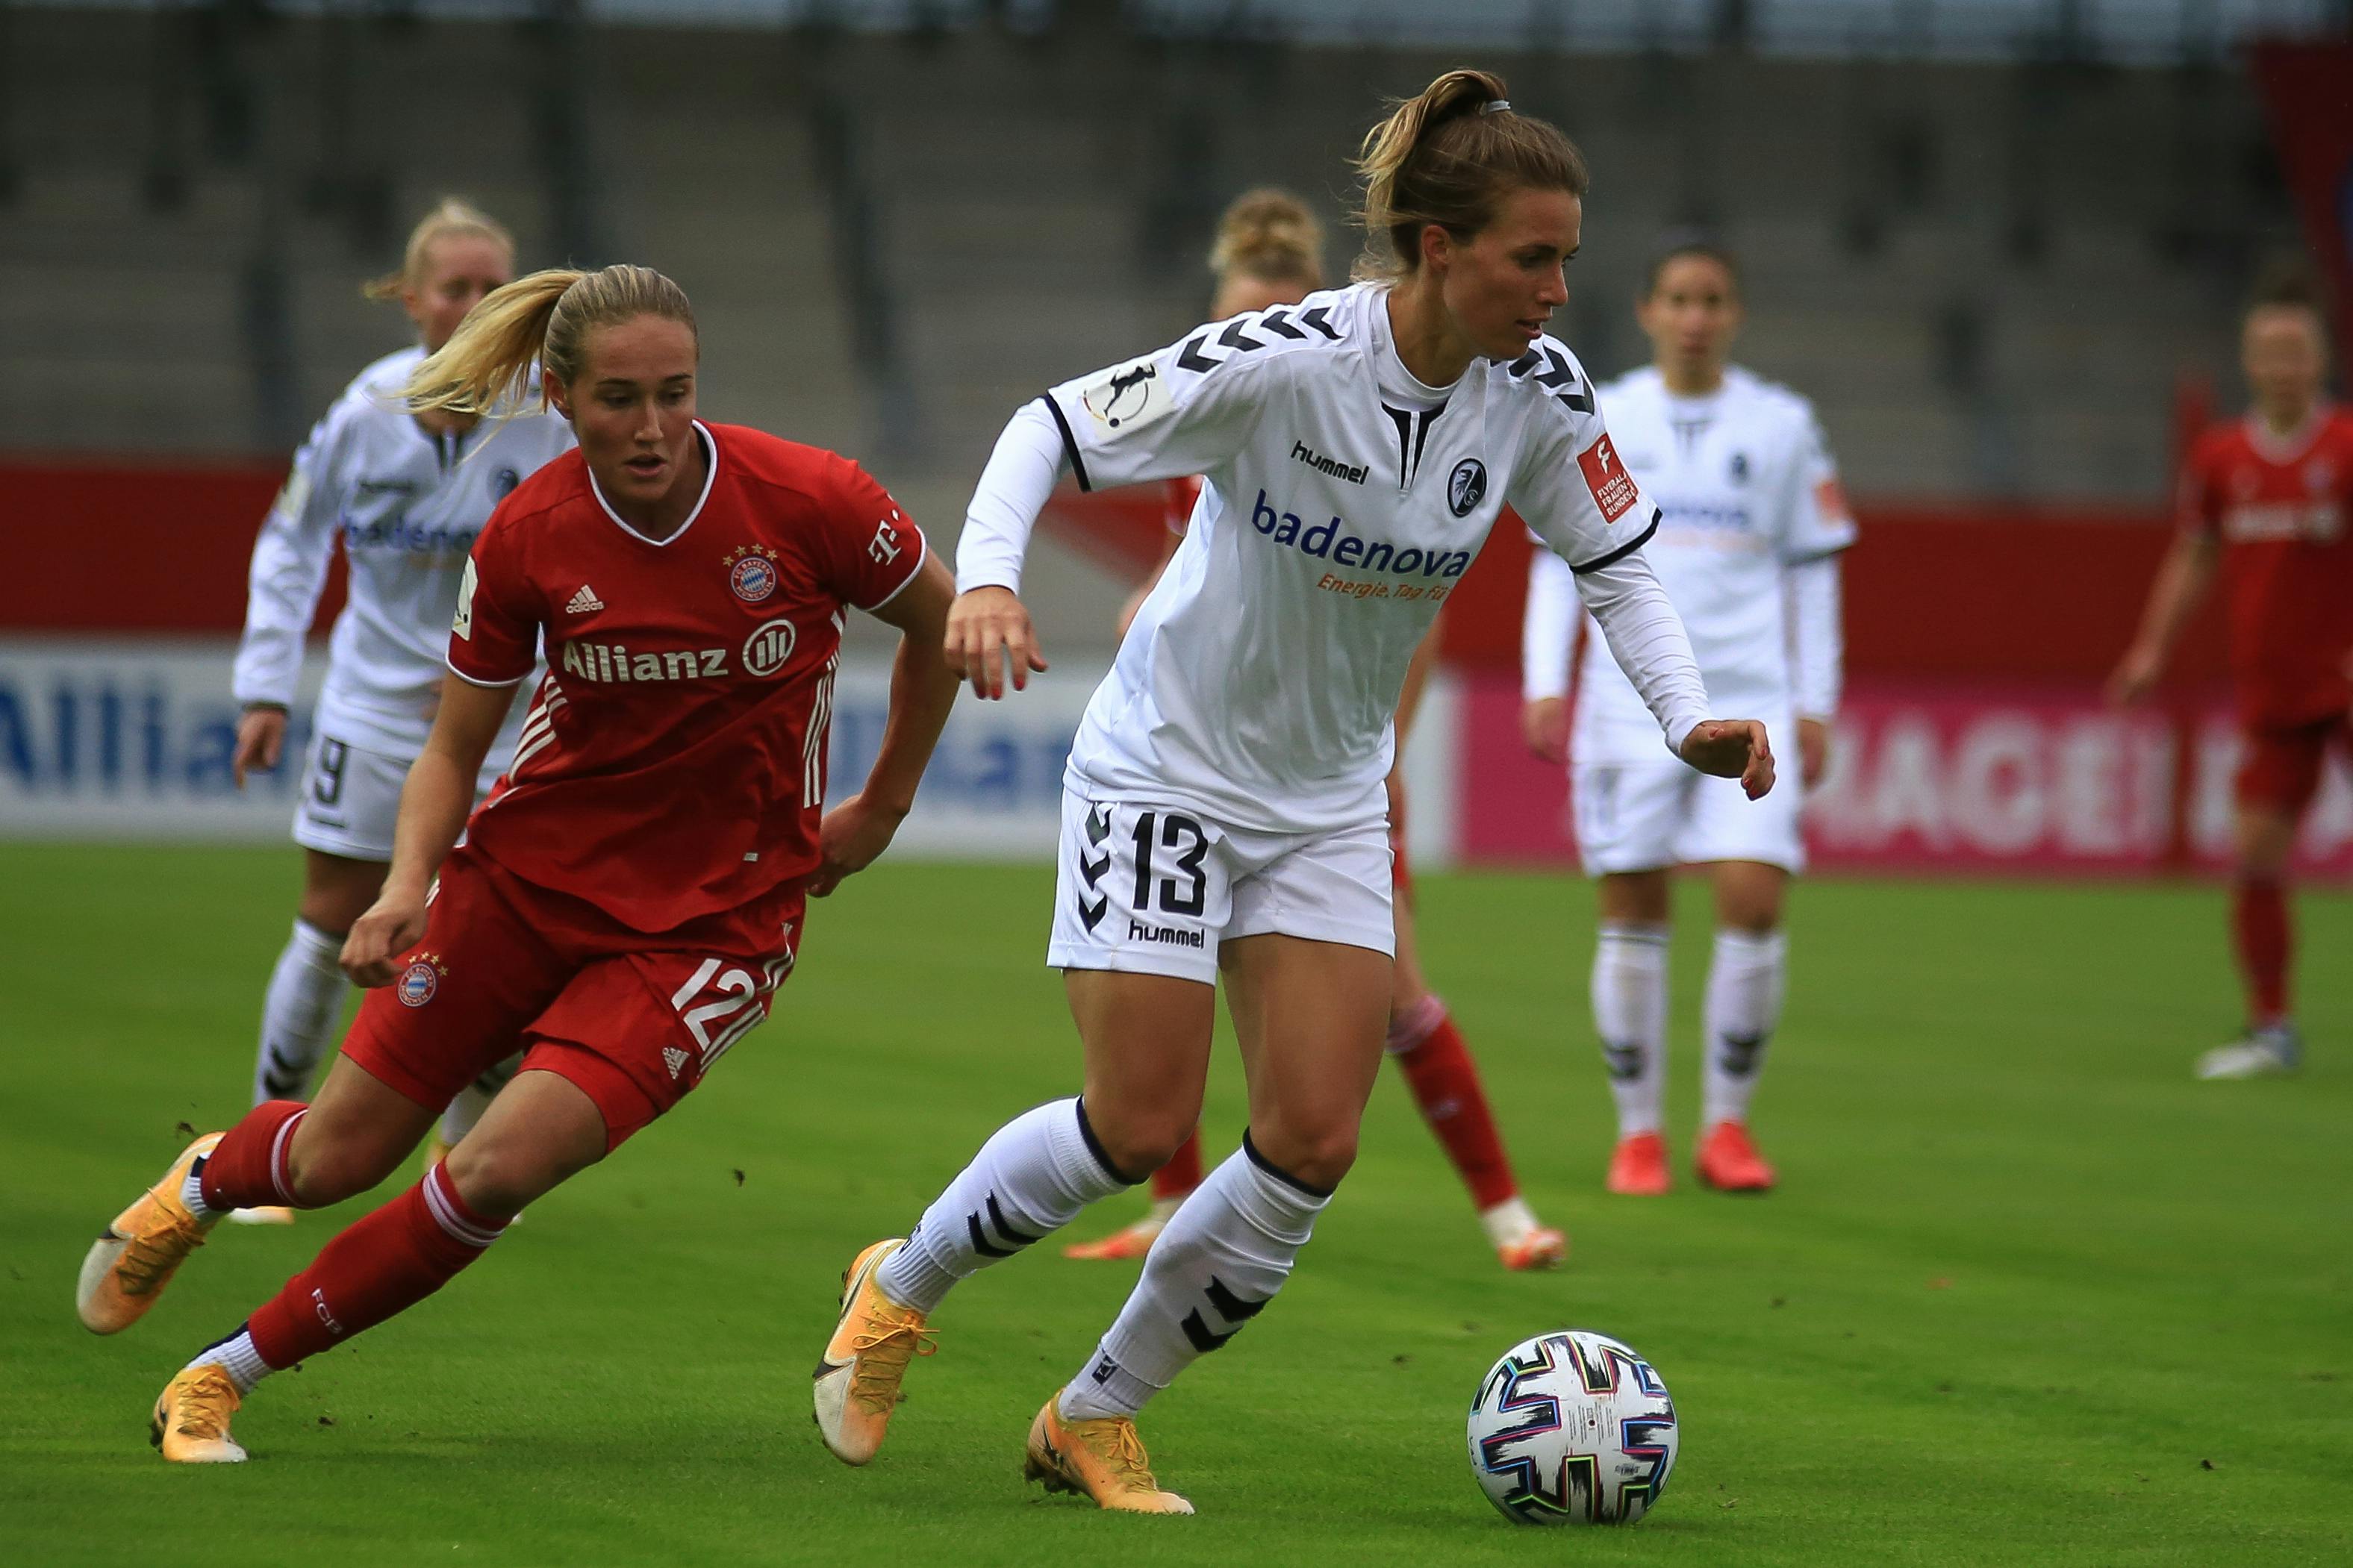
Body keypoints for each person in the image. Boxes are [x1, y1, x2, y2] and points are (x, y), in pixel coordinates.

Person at [811, 71, 1771, 1514]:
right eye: (1533, 256)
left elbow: (1617, 563)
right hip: (1166, 770)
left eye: (1569, 256)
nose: (1560, 289)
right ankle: (903, 1281)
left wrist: (1687, 716)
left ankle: (1094, 1412)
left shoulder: (1541, 395)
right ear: (1439, 249)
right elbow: (1046, 430)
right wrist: (992, 579)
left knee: (1313, 1139)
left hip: (1326, 796)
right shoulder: (1279, 358)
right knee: (1137, 1123)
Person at [76, 263, 962, 1464]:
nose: (651, 428)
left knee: (489, 1172)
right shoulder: (530, 534)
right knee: (336, 1156)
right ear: (559, 395)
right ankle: (204, 1181)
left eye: (675, 394)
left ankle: (220, 1377)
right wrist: (403, 888)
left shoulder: (812, 499)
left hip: (713, 928)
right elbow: (453, 746)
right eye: (617, 400)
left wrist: (883, 806)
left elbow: (941, 629)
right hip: (525, 885)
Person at [1067, 189, 1565, 1271]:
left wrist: (1382, 756)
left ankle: (1506, 1210)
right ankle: (1171, 1204)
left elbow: (1400, 618)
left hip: (1332, 771)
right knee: (1169, 974)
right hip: (1211, 756)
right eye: (1232, 320)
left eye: (1278, 313)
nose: (1249, 341)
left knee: (1393, 997)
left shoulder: (1362, 419)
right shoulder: (1203, 435)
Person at [226, 200, 573, 1224]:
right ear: (412, 298)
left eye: (492, 289)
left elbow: (582, 560)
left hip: (503, 720)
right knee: (332, 919)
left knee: (508, 934)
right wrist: (262, 682)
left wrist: (524, 667)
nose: (474, 307)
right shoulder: (364, 412)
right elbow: (291, 541)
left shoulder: (551, 418)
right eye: (455, 287)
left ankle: (466, 1158)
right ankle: (264, 1143)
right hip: (372, 711)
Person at [1521, 238, 1852, 1197]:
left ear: (1734, 313)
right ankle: (1637, 1136)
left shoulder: (1783, 424)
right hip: (1626, 704)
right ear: (1646, 311)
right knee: (1630, 906)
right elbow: (1558, 558)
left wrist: (1816, 703)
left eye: (1711, 299)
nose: (1695, 316)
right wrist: (1547, 679)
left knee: (1752, 898)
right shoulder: (1604, 414)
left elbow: (1813, 570)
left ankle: (1725, 1126)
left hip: (1752, 698)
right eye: (1678, 298)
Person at [2110, 270, 2353, 1079]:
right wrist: (2150, 648)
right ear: (2248, 359)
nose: (2283, 366)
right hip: (2274, 687)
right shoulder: (2220, 458)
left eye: (2297, 351)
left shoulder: (2346, 447)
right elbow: (2193, 553)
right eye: (2269, 351)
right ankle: (2270, 1027)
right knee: (2253, 852)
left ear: (2320, 357)